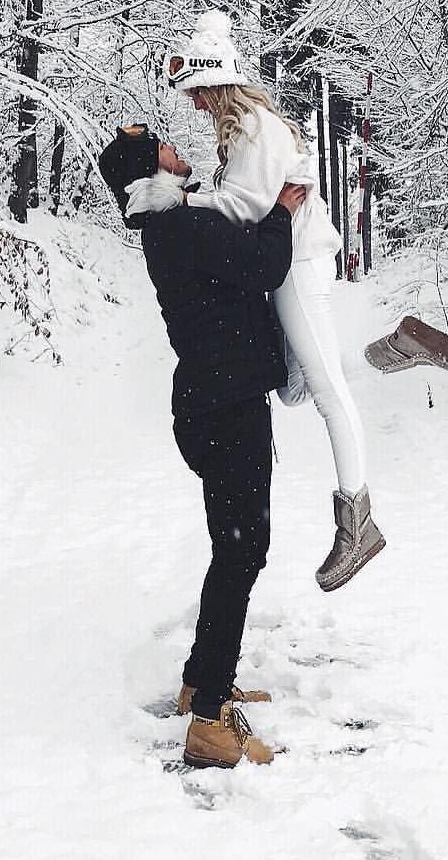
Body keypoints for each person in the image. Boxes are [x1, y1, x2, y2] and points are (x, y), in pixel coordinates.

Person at [97, 122, 306, 770]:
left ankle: (200, 682)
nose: (174, 146)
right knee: (242, 555)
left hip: (215, 407)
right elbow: (264, 264)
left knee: (234, 553)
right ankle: (211, 721)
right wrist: (282, 211)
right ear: (149, 168)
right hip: (226, 411)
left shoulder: (175, 224)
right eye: (161, 146)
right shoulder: (181, 226)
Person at [160, 10, 385, 593]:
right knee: (294, 386)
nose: (195, 104)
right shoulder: (246, 132)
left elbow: (250, 208)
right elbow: (245, 203)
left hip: (298, 264)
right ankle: (387, 354)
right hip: (290, 265)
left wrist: (181, 204)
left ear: (217, 83)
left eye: (198, 92)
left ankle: (357, 521)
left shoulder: (256, 129)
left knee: (326, 393)